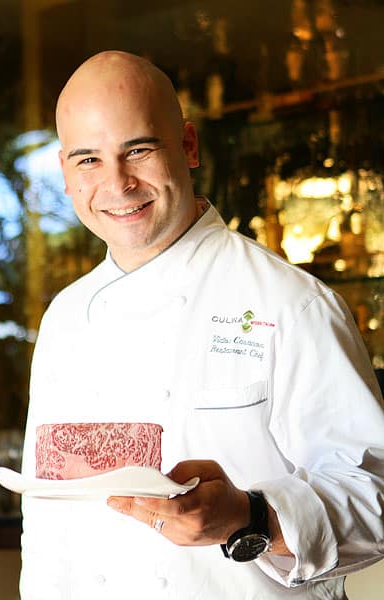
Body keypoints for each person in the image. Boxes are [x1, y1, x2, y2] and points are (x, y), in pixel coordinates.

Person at [20, 50, 384, 599]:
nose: (117, 184)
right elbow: (45, 526)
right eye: (88, 159)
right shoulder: (64, 318)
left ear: (188, 146)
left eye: (138, 149)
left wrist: (251, 518)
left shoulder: (290, 303)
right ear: (66, 174)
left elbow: (375, 499)